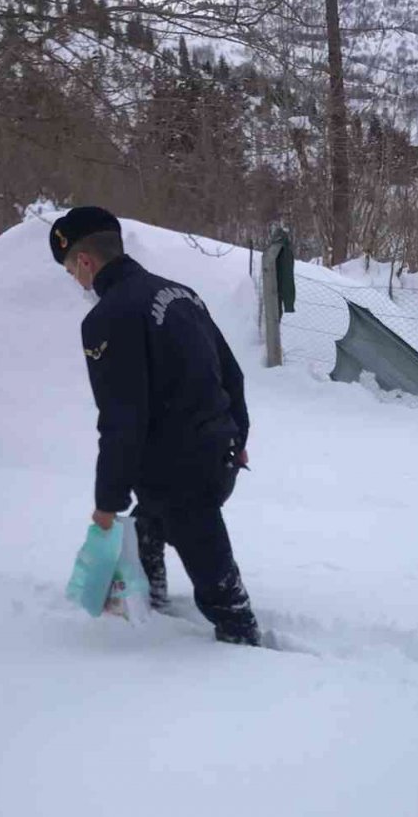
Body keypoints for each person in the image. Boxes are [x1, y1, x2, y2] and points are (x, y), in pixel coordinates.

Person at [51, 205, 261, 646]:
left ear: (85, 261)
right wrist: (237, 437)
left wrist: (106, 504)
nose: (76, 281)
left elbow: (121, 420)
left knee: (212, 570)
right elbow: (231, 373)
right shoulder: (180, 293)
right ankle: (153, 596)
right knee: (149, 521)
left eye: (72, 270)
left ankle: (244, 644)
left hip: (179, 470)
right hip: (217, 453)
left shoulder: (108, 318)